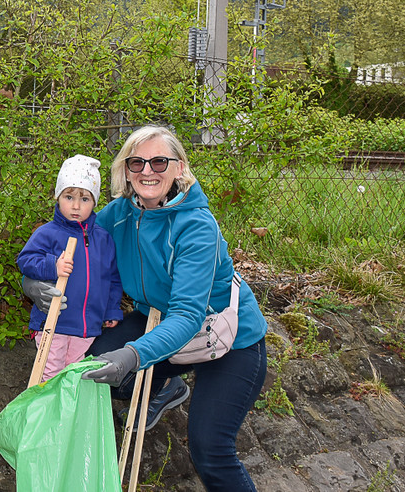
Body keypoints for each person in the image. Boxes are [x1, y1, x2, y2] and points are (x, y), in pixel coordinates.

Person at [25, 126, 267, 490]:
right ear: (125, 170)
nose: (147, 170)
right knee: (95, 369)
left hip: (226, 338)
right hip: (157, 318)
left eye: (159, 161)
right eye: (137, 162)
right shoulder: (116, 216)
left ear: (180, 168)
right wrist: (31, 282)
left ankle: (155, 374)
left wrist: (134, 356)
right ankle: (164, 385)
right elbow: (67, 240)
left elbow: (187, 315)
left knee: (210, 447)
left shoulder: (197, 226)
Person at [18, 155, 122, 381]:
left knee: (72, 375)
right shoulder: (47, 233)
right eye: (69, 197)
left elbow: (112, 278)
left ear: (95, 202)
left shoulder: (103, 240)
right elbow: (25, 260)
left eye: (85, 199)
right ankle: (46, 413)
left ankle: (66, 415)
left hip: (87, 326)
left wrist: (112, 310)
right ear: (57, 197)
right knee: (50, 372)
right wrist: (52, 266)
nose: (76, 205)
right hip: (54, 322)